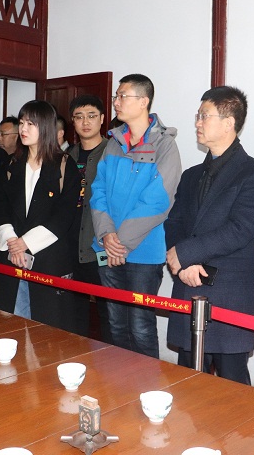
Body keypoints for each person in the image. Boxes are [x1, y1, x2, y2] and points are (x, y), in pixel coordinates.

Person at [166, 86, 254, 384]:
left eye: (204, 116)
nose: (197, 123)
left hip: (228, 292)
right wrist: (183, 264)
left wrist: (186, 254)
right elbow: (174, 222)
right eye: (197, 116)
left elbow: (241, 229)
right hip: (188, 285)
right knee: (187, 383)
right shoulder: (191, 175)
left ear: (229, 123)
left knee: (232, 387)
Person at [90, 73, 182, 358]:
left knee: (141, 327)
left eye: (122, 96)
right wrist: (107, 235)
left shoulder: (164, 145)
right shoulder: (114, 142)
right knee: (115, 324)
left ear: (143, 101)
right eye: (116, 96)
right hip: (107, 247)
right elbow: (98, 190)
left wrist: (122, 242)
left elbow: (158, 200)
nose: (116, 102)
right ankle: (120, 382)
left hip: (143, 251)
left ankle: (146, 383)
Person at [0, 100, 83, 331]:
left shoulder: (64, 165)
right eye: (21, 123)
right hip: (11, 255)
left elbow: (64, 214)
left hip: (48, 258)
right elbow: (0, 205)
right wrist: (12, 241)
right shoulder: (12, 164)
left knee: (46, 330)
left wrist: (26, 243)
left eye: (31, 124)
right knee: (10, 325)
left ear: (46, 127)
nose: (23, 129)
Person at [67, 95, 111, 342]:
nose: (85, 122)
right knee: (74, 313)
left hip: (101, 245)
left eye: (92, 116)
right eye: (79, 117)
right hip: (70, 245)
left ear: (102, 119)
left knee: (109, 313)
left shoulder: (113, 153)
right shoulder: (67, 156)